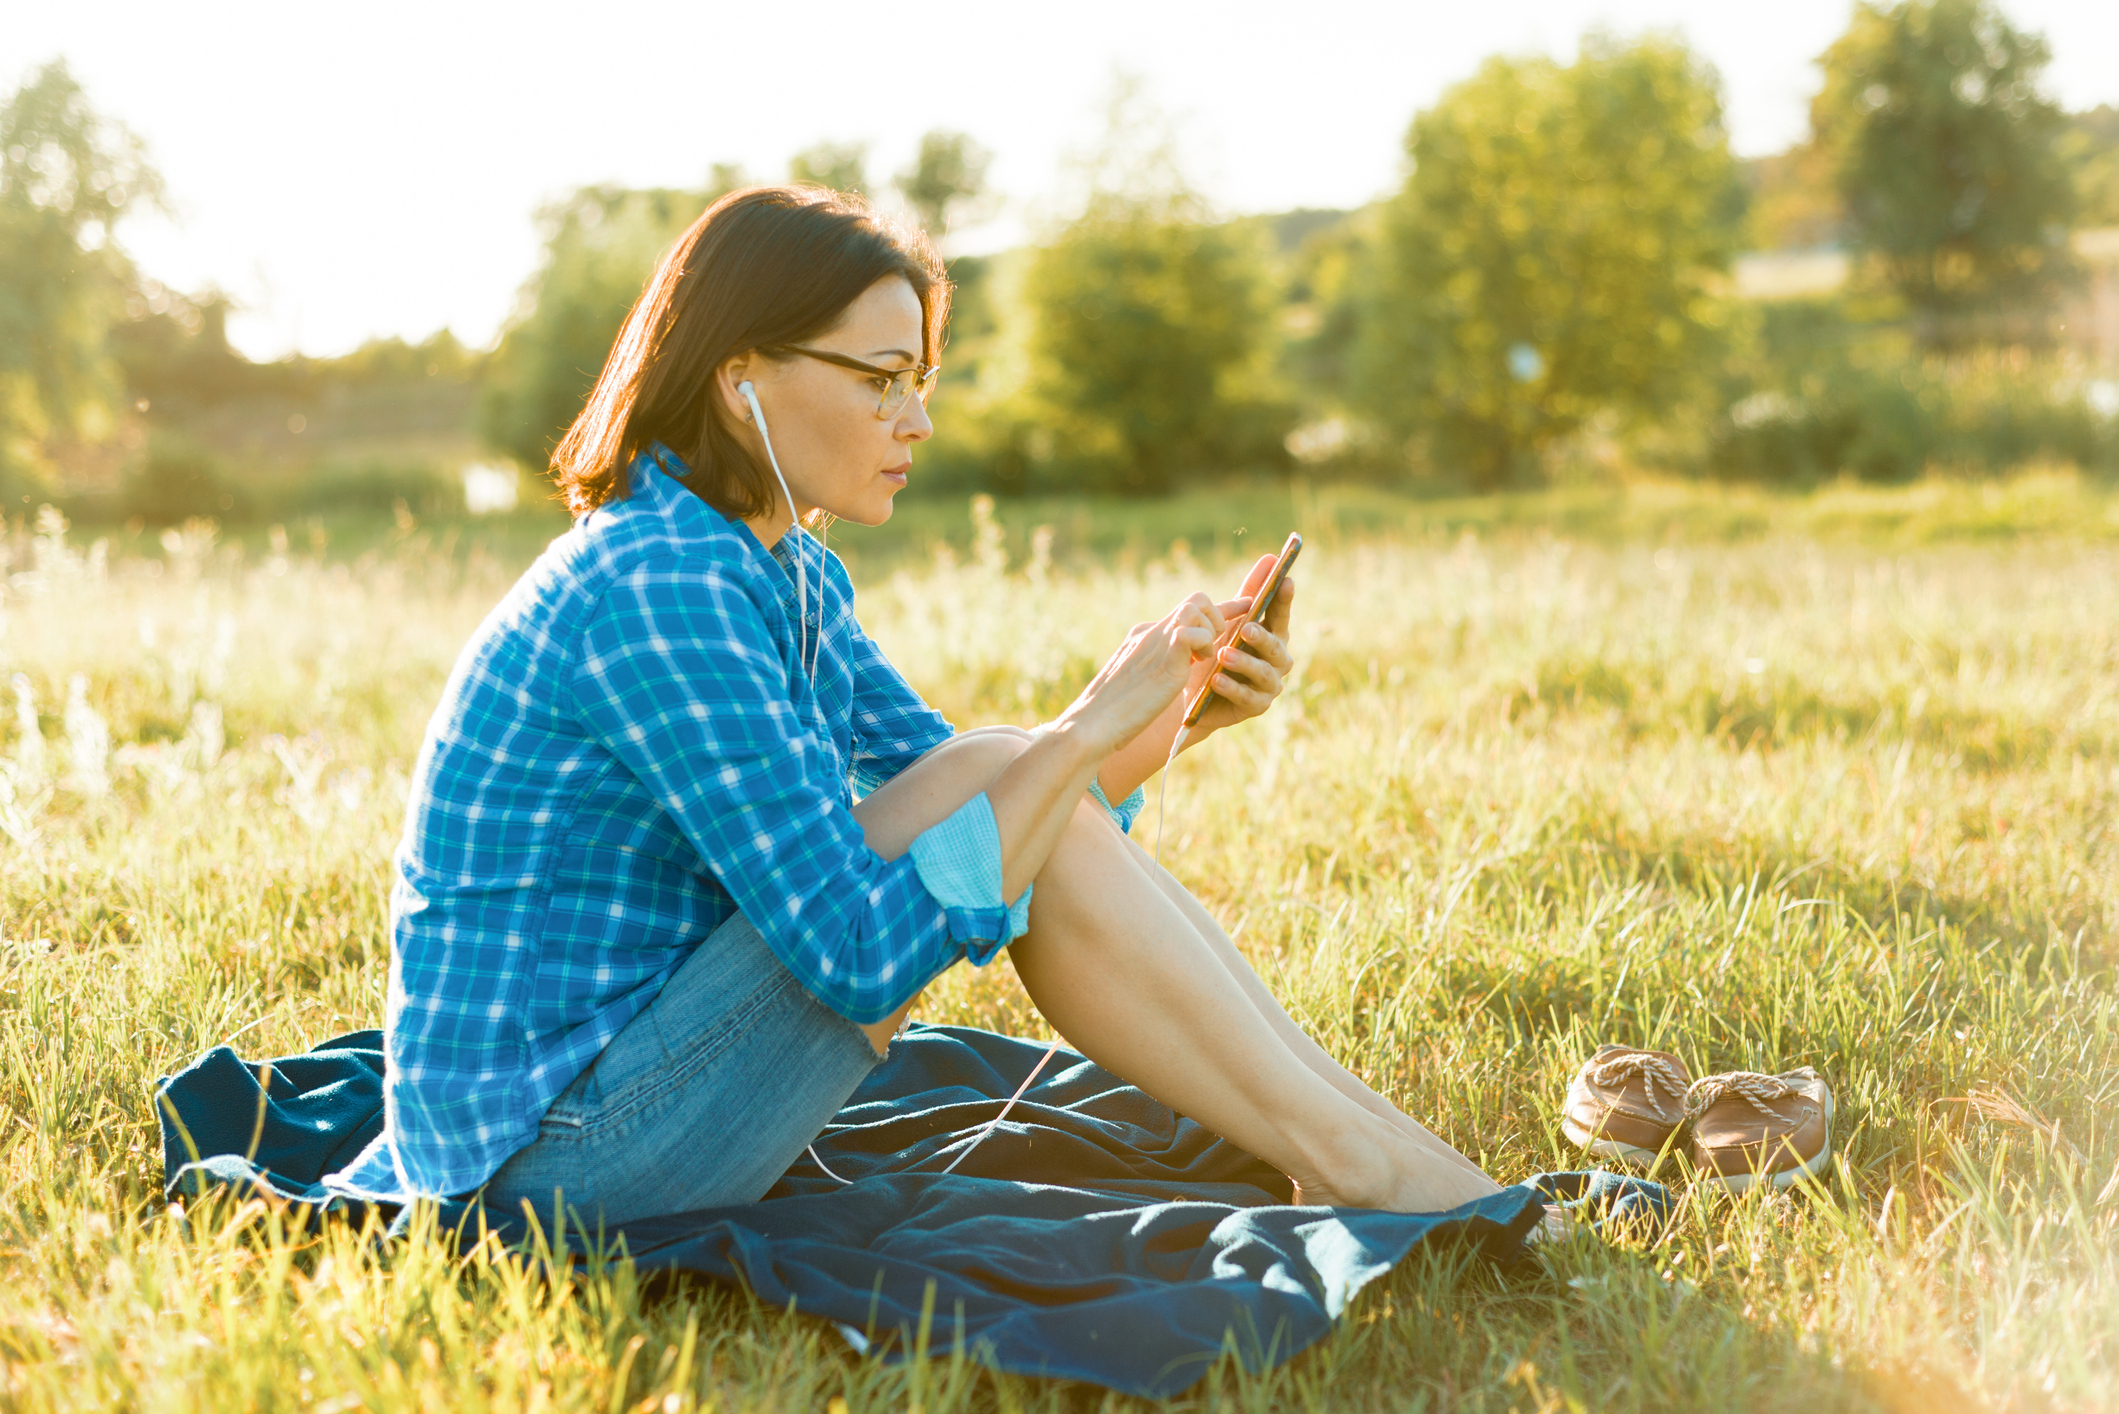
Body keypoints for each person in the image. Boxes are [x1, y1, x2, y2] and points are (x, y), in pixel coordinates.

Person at [321, 186, 1507, 1225]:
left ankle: (1388, 1162)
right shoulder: (657, 589)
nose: (918, 420)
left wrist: (1175, 719)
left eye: (921, 379)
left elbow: (1014, 841)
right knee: (1004, 761)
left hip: (642, 1091)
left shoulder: (780, 572)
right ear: (741, 379)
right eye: (882, 380)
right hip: (549, 1174)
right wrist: (1086, 726)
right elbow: (859, 954)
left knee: (1000, 764)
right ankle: (1376, 1169)